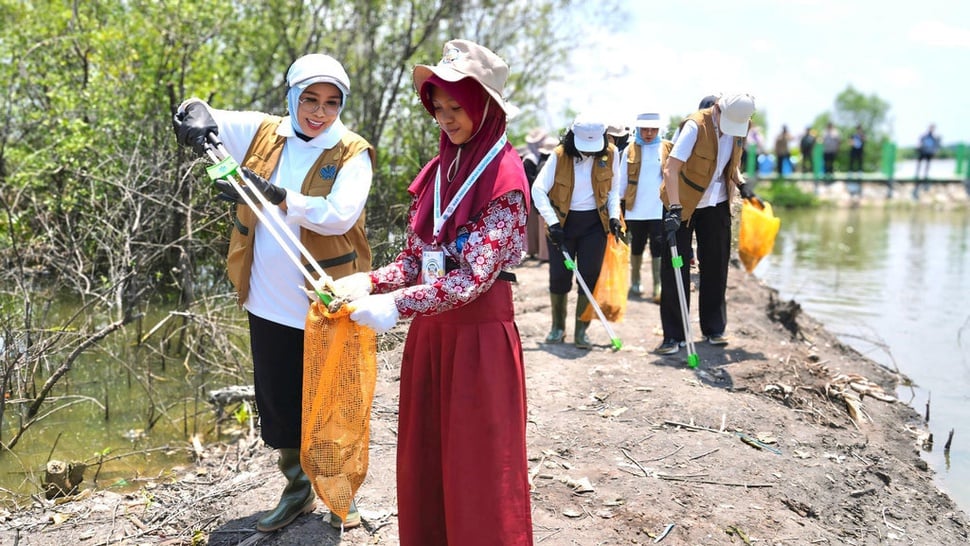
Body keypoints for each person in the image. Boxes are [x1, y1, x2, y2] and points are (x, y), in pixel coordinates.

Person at [332, 39, 533, 545]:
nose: (446, 118)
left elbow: (472, 280)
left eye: (457, 107)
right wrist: (369, 281)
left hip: (479, 343)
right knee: (427, 459)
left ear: (485, 106)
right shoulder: (439, 172)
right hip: (431, 339)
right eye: (438, 108)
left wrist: (394, 305)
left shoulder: (506, 179)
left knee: (479, 466)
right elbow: (415, 260)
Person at [172, 53, 374, 531]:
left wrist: (276, 196)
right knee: (279, 401)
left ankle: (340, 493)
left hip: (324, 299)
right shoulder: (266, 131)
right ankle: (298, 489)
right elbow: (203, 112)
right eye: (309, 99)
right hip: (266, 297)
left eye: (330, 102)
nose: (319, 112)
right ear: (292, 96)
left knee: (332, 400)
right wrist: (195, 115)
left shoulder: (351, 151)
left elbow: (340, 214)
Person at [657, 93, 759, 355]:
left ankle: (714, 328)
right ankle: (674, 335)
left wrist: (743, 186)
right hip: (683, 202)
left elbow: (729, 165)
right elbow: (671, 168)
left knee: (716, 265)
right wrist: (674, 209)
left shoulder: (740, 126)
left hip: (717, 204)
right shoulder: (695, 126)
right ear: (717, 109)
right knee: (675, 268)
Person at [532, 112, 623, 349]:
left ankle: (581, 331)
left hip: (595, 224)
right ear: (573, 137)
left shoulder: (611, 154)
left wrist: (614, 217)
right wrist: (552, 222)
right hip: (563, 223)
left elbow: (613, 190)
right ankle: (558, 328)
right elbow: (538, 190)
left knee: (589, 275)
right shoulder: (559, 156)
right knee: (560, 276)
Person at [618, 112, 671, 303]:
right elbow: (622, 178)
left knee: (658, 244)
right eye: (645, 129)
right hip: (635, 207)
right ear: (638, 129)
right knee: (637, 244)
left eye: (653, 129)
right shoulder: (630, 149)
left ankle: (658, 285)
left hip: (658, 206)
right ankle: (636, 281)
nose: (649, 133)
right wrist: (617, 204)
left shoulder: (666, 148)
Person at [521, 128, 548, 259]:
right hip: (531, 197)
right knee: (532, 226)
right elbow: (529, 180)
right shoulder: (529, 159)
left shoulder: (537, 158)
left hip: (534, 197)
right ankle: (532, 250)